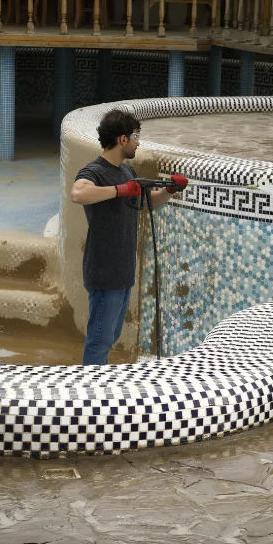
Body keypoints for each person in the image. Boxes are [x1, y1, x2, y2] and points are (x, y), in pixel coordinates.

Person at [70, 109, 187, 365]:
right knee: (99, 340)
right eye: (136, 136)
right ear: (123, 139)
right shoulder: (95, 171)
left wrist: (168, 191)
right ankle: (90, 395)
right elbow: (78, 194)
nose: (138, 142)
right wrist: (120, 190)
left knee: (109, 337)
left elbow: (144, 204)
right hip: (104, 270)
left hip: (123, 270)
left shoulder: (128, 171)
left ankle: (97, 387)